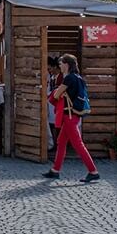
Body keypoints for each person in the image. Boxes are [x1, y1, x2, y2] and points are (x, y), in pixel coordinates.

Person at [43, 54, 100, 182]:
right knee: (61, 142)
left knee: (78, 144)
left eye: (61, 64)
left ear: (67, 65)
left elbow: (57, 95)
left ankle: (93, 171)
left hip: (69, 116)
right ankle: (55, 170)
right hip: (73, 115)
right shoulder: (78, 77)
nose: (60, 66)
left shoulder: (68, 78)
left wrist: (58, 91)